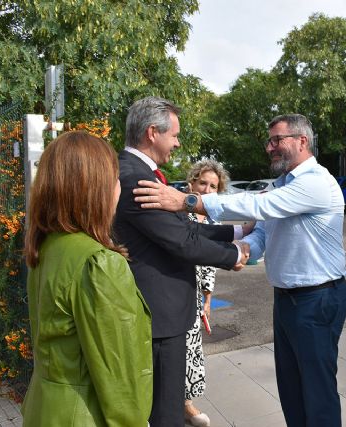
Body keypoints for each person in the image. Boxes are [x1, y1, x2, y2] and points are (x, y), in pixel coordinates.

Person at [133, 113, 346, 427]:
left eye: (278, 140)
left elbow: (258, 207)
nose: (270, 147)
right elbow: (263, 231)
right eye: (269, 140)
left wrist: (188, 201)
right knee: (291, 388)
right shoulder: (283, 184)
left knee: (317, 392)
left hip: (317, 300)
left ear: (303, 141)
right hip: (289, 300)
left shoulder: (315, 183)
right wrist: (242, 251)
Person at [113, 96, 250, 427]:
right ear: (152, 133)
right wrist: (234, 255)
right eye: (174, 135)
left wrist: (234, 231)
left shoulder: (137, 171)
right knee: (166, 410)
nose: (177, 142)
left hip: (163, 312)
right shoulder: (136, 178)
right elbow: (180, 241)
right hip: (159, 314)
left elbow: (182, 227)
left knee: (167, 402)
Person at [22, 131, 152, 426]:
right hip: (84, 416)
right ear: (97, 189)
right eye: (115, 178)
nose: (120, 187)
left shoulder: (46, 247)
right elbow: (122, 381)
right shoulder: (99, 263)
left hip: (44, 410)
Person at [183, 159, 231, 427]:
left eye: (214, 186)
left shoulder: (212, 218)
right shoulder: (179, 212)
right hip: (177, 286)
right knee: (177, 347)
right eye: (203, 183)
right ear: (192, 183)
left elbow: (210, 264)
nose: (207, 189)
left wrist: (208, 300)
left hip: (196, 293)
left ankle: (185, 403)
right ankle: (180, 404)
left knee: (192, 347)